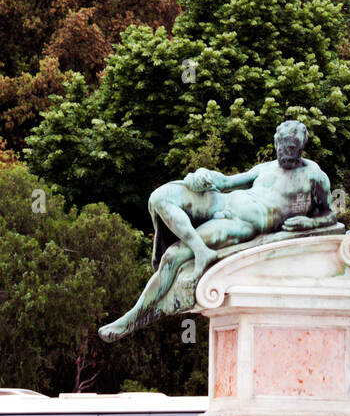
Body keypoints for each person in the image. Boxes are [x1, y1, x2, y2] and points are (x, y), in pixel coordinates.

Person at [99, 120, 336, 340]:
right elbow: (226, 182)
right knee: (160, 197)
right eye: (282, 146)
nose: (285, 153)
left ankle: (130, 320)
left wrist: (309, 223)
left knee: (172, 256)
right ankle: (200, 250)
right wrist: (201, 175)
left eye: (291, 147)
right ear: (276, 143)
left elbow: (330, 215)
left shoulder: (314, 176)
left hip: (240, 224)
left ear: (302, 146)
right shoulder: (265, 168)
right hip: (223, 202)